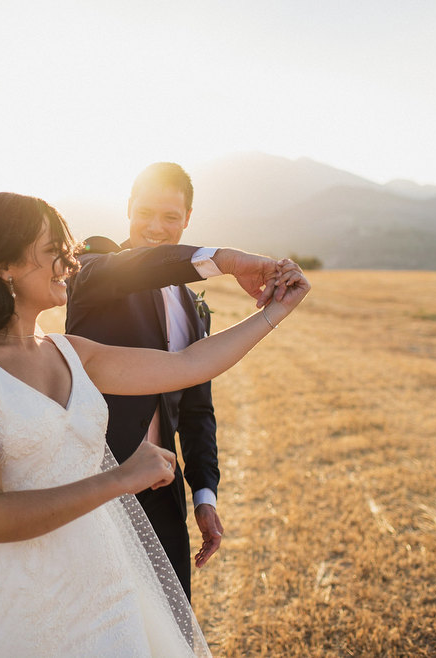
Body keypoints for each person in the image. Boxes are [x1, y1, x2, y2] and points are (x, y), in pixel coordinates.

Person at [0, 192, 308, 656]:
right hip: (29, 598)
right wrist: (120, 479)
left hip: (110, 582)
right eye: (52, 251)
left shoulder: (72, 352)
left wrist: (274, 312)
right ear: (5, 264)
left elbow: (190, 364)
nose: (67, 264)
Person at [66, 162, 288, 601]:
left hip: (164, 487)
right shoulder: (96, 260)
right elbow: (134, 266)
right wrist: (222, 259)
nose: (155, 226)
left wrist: (205, 493)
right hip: (97, 481)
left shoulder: (193, 306)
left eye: (170, 217)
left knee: (172, 618)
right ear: (127, 208)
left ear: (187, 219)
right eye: (145, 212)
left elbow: (197, 409)